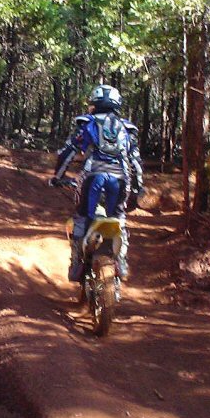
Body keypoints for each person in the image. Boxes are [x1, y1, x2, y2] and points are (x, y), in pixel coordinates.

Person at [49, 84, 144, 283]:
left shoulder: (86, 124)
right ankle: (122, 260)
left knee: (82, 217)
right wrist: (137, 186)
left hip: (93, 178)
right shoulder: (126, 128)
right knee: (118, 218)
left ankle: (76, 261)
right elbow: (135, 161)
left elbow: (67, 152)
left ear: (94, 103)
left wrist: (57, 177)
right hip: (120, 180)